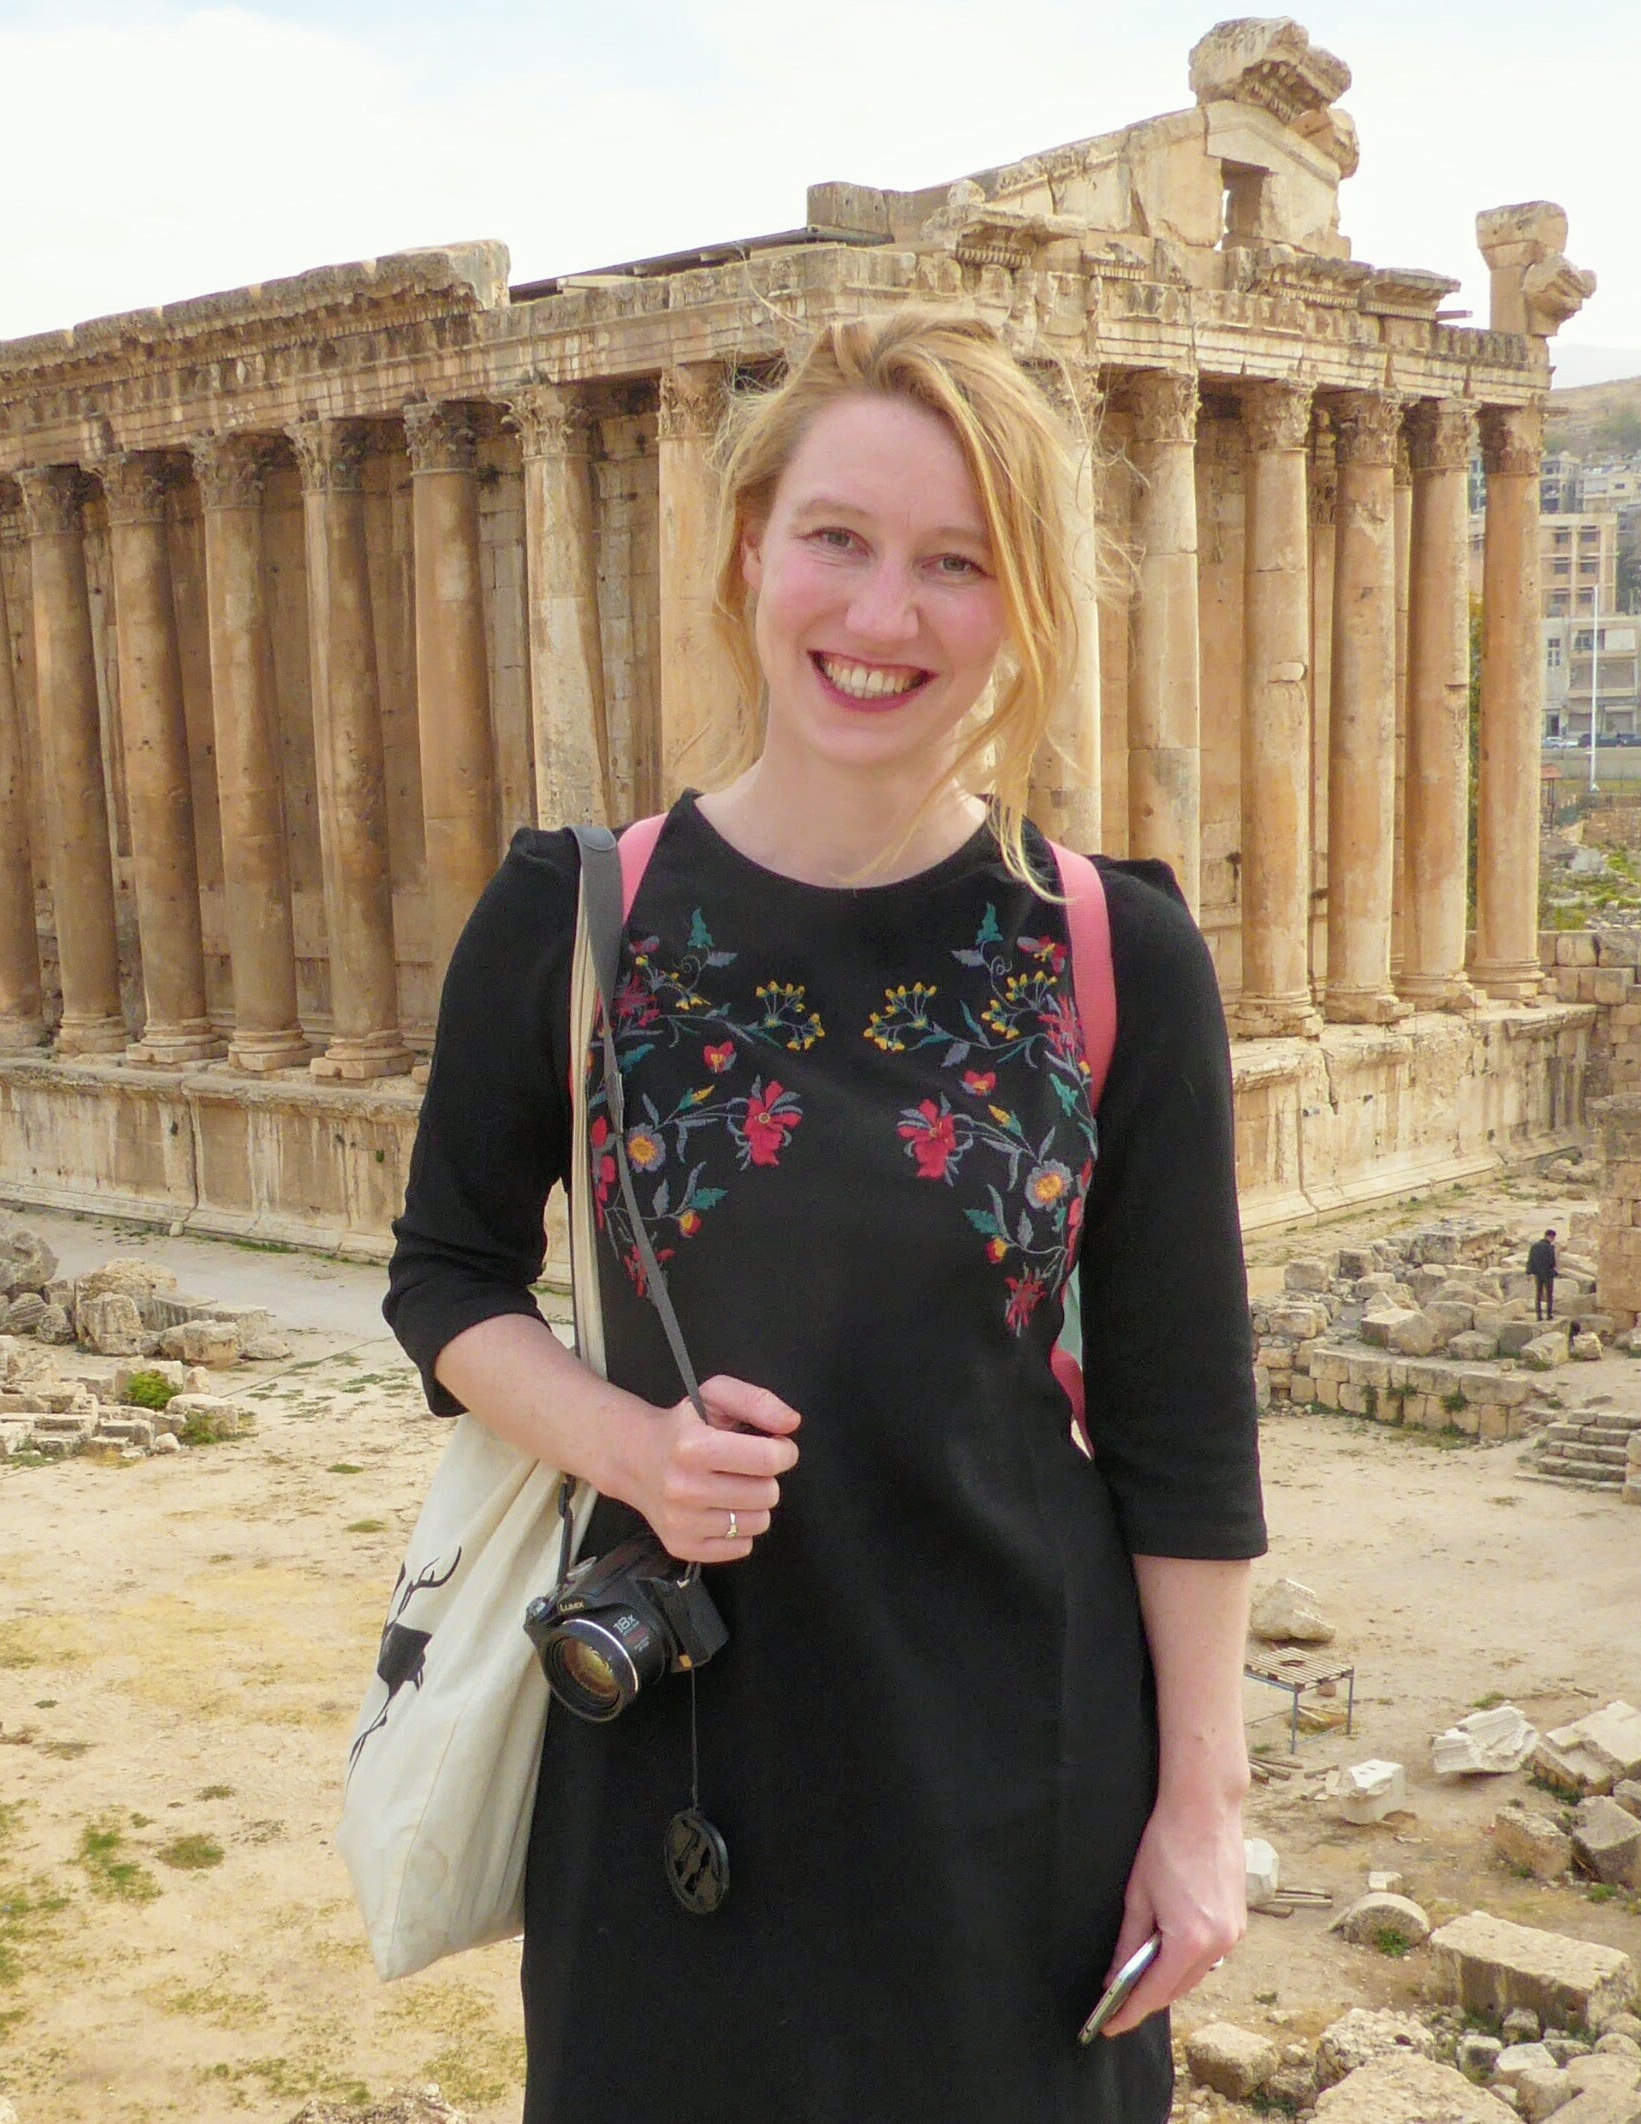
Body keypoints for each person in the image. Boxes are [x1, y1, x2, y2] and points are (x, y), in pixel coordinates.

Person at [384, 311, 1266, 2124]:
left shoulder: (1114, 950)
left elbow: (1183, 1432)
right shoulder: (573, 915)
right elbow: (446, 1278)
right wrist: (627, 1441)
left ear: (1019, 605)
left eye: (956, 563)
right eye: (839, 541)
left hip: (1020, 1786)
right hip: (674, 1773)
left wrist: (1200, 1812)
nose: (882, 616)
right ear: (747, 550)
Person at [1527, 1228, 1559, 1320]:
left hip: (1538, 1273)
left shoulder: (1534, 1246)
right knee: (1549, 1294)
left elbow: (1530, 1260)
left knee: (1538, 1294)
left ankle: (1539, 1315)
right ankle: (1549, 1314)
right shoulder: (1550, 1248)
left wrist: (1529, 1272)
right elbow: (1552, 1262)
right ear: (1551, 1237)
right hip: (1548, 1273)